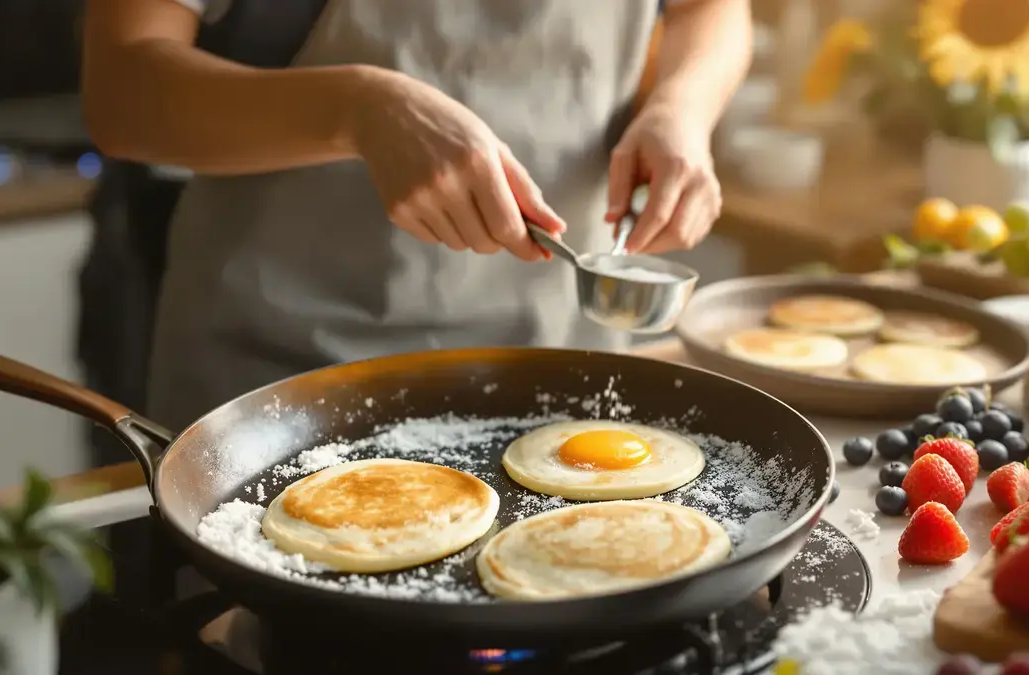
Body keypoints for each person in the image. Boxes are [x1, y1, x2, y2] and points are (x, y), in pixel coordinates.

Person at [80, 0, 752, 432]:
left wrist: (682, 108)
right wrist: (358, 109)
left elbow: (712, 9)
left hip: (559, 354)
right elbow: (121, 91)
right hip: (282, 380)